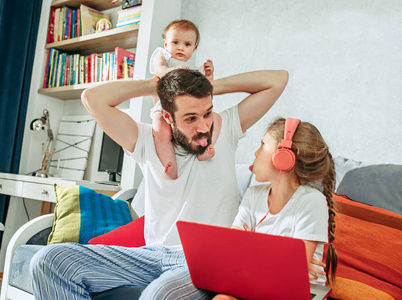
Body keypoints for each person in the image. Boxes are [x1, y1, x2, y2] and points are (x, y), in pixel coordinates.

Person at [31, 68, 289, 299]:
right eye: (190, 118)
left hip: (205, 262)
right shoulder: (146, 140)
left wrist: (213, 86)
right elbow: (92, 98)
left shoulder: (227, 128)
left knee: (158, 295)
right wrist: (154, 84)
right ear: (167, 116)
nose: (203, 127)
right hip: (151, 255)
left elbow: (277, 80)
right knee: (48, 260)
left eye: (207, 113)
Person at [213, 117, 338, 300]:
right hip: (256, 284)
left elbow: (293, 274)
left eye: (263, 145)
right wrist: (278, 259)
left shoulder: (311, 202)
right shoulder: (253, 195)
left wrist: (251, 247)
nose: (255, 153)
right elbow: (232, 256)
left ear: (283, 158)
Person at [150, 19, 221, 179]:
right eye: (175, 42)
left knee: (216, 119)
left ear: (194, 48)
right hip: (163, 107)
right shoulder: (163, 56)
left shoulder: (194, 69)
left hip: (190, 112)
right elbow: (160, 70)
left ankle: (205, 148)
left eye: (187, 44)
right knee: (160, 132)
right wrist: (172, 70)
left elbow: (207, 90)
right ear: (165, 43)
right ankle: (170, 163)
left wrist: (209, 75)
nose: (181, 47)